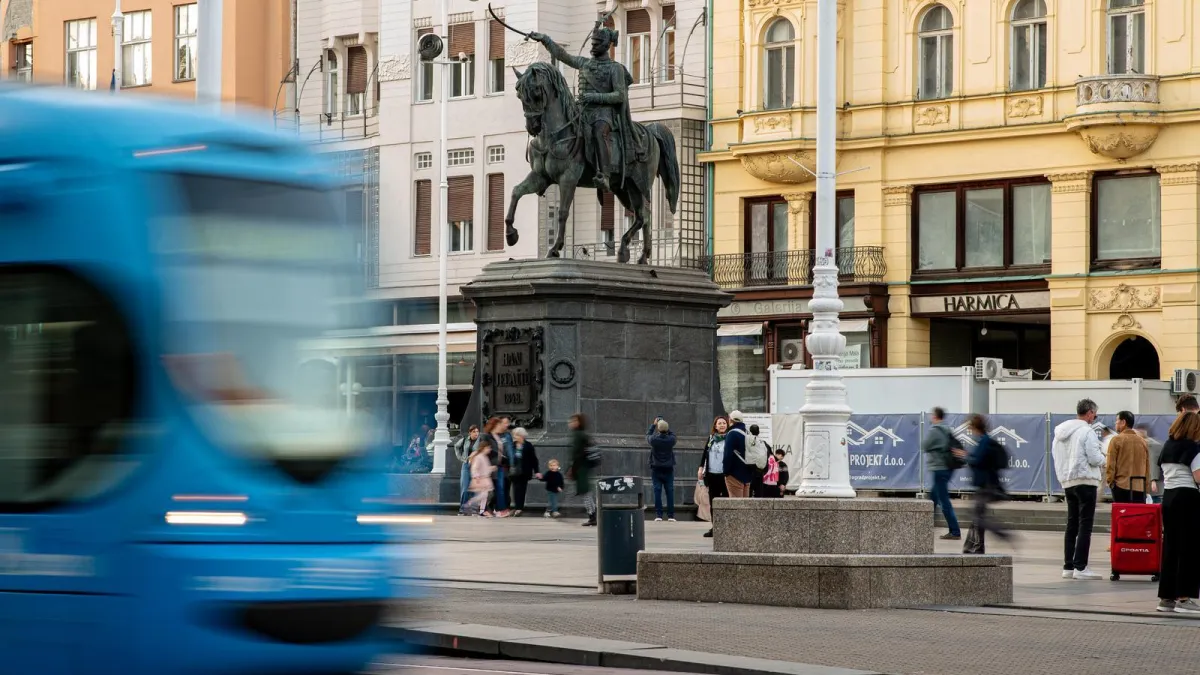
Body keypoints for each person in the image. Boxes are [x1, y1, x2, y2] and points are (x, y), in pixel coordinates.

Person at [528, 17, 646, 194]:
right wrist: (545, 40)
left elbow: (620, 95)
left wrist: (594, 96)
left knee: (599, 132)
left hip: (604, 114)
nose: (593, 47)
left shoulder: (615, 69)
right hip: (582, 112)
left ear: (606, 45)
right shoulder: (584, 63)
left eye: (596, 44)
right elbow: (563, 55)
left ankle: (604, 175)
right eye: (592, 43)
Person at [1051, 398, 1106, 581]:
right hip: (1086, 481)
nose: (1094, 418)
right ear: (1089, 413)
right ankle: (1080, 567)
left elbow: (1056, 457)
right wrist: (1105, 459)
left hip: (1068, 482)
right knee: (1085, 525)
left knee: (1072, 524)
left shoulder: (1060, 433)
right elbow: (1094, 458)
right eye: (1095, 415)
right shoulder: (1087, 431)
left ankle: (1068, 566)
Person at [1155, 411, 1200, 614]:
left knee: (1171, 547)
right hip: (1187, 497)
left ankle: (1166, 598)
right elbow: (1198, 477)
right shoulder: (1193, 448)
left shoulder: (1167, 445)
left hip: (1169, 497)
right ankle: (1184, 597)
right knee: (1188, 547)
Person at [963, 414, 1012, 554]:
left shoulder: (984, 441)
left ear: (975, 427)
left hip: (986, 485)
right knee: (977, 514)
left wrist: (966, 457)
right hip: (985, 484)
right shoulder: (984, 440)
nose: (969, 430)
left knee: (977, 516)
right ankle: (975, 546)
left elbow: (978, 461)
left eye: (970, 427)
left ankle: (1000, 534)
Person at [923, 406, 964, 540]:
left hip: (939, 468)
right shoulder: (947, 429)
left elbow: (925, 445)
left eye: (932, 415)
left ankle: (955, 531)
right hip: (947, 467)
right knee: (934, 497)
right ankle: (925, 525)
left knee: (943, 500)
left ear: (935, 416)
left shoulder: (935, 430)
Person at [1106, 411, 1151, 504]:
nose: (1115, 423)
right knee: (1136, 513)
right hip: (1139, 487)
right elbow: (1147, 466)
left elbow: (1111, 464)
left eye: (1117, 421)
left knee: (1122, 512)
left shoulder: (1116, 440)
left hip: (1121, 486)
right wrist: (1146, 486)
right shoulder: (1142, 442)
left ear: (1123, 422)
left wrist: (1110, 482)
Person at [699, 416, 730, 538]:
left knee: (726, 502)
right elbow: (705, 453)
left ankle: (726, 528)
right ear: (715, 426)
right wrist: (701, 467)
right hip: (712, 474)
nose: (722, 425)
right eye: (719, 423)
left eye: (724, 423)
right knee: (713, 502)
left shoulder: (729, 438)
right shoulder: (711, 438)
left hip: (724, 475)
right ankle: (715, 528)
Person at [568, 413, 598, 527]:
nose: (571, 423)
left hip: (581, 468)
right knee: (586, 493)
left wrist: (572, 468)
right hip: (583, 467)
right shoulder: (581, 434)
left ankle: (592, 516)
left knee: (586, 493)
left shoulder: (579, 435)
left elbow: (577, 453)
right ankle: (592, 515)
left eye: (574, 421)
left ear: (579, 422)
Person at [647, 417, 677, 522]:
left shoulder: (654, 440)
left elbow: (648, 435)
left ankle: (659, 515)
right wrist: (666, 427)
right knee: (670, 492)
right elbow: (673, 435)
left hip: (656, 469)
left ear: (658, 429)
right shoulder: (671, 440)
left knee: (657, 491)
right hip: (668, 469)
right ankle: (671, 516)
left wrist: (654, 425)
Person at [508, 427, 542, 517]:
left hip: (525, 471)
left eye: (516, 435)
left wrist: (537, 471)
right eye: (514, 435)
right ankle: (517, 507)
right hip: (514, 472)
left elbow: (534, 459)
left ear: (521, 436)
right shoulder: (512, 445)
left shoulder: (528, 445)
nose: (514, 437)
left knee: (522, 490)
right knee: (515, 490)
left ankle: (519, 508)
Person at [723, 410, 753, 498]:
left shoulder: (732, 433)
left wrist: (726, 472)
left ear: (731, 420)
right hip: (747, 475)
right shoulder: (747, 433)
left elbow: (728, 455)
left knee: (735, 503)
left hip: (734, 474)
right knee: (745, 503)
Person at [455, 425, 480, 515]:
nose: (476, 433)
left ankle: (474, 509)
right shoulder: (465, 440)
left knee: (475, 488)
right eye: (474, 432)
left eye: (477, 431)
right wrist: (460, 458)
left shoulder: (480, 441)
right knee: (465, 487)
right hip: (466, 465)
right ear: (470, 433)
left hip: (476, 466)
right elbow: (456, 446)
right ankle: (463, 509)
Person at [1135, 423, 1164, 503]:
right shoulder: (1154, 443)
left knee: (1153, 505)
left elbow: (1153, 462)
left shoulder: (1150, 444)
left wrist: (1153, 480)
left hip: (1152, 484)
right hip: (1155, 483)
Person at [467, 437, 496, 517]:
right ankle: (472, 502)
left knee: (485, 496)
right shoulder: (479, 457)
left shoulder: (484, 457)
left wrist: (491, 468)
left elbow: (485, 468)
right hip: (481, 479)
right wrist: (476, 476)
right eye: (488, 448)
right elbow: (474, 468)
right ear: (484, 448)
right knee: (484, 495)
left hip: (485, 479)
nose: (490, 450)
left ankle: (481, 510)